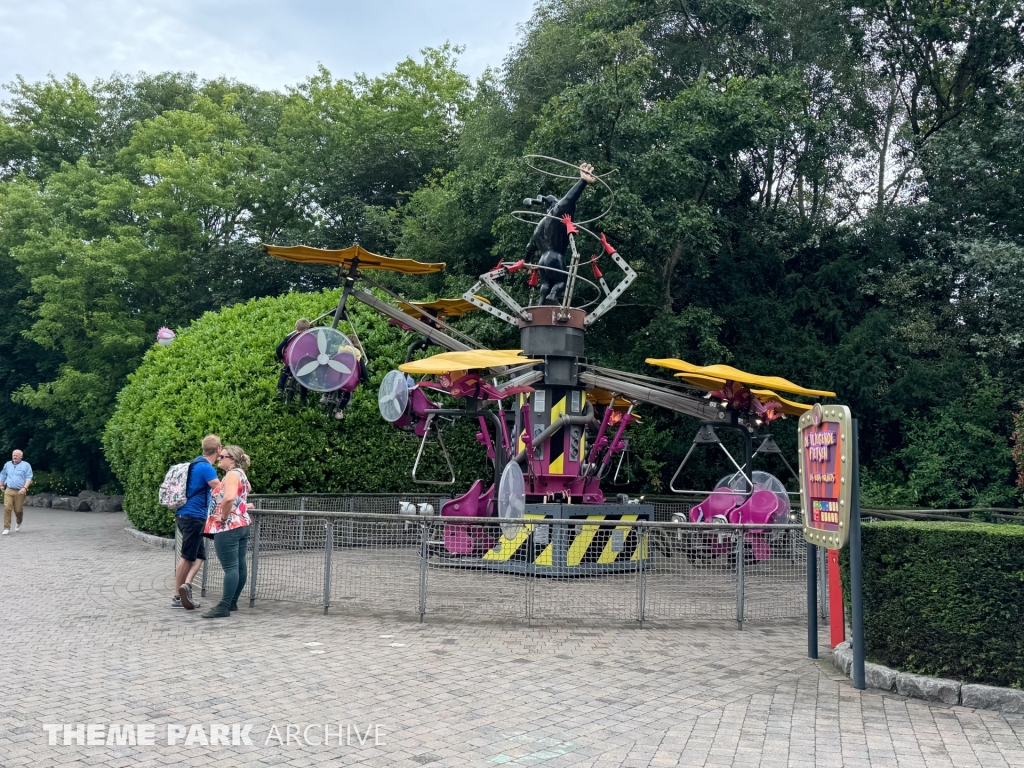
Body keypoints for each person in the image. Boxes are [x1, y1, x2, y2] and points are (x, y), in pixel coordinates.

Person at [524, 162, 597, 304]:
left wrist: (526, 262)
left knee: (545, 284)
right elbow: (568, 200)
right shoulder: (556, 215)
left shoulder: (538, 227)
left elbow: (529, 247)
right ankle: (552, 297)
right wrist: (582, 182)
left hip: (542, 261)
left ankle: (541, 303)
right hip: (555, 257)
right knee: (561, 282)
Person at [201, 445, 253, 619]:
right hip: (242, 524)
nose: (219, 459)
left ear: (232, 459)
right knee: (239, 565)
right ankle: (232, 602)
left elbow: (230, 497)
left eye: (222, 457)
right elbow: (247, 490)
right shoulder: (240, 474)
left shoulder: (231, 474)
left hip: (228, 526)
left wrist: (223, 517)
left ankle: (224, 605)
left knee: (231, 567)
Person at [174, 435, 221, 610]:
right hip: (193, 517)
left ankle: (186, 586)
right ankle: (177, 597)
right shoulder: (205, 467)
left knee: (199, 556)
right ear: (218, 449)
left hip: (185, 515)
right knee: (187, 557)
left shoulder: (194, 464)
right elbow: (219, 487)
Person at [276, 318, 311, 403]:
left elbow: (278, 348)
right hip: (303, 364)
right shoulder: (310, 339)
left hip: (290, 361)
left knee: (285, 370)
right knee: (304, 379)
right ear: (306, 329)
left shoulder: (290, 337)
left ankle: (280, 389)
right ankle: (303, 399)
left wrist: (281, 358)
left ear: (296, 327)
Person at [0, 450, 33, 535]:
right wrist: (1, 485)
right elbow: (2, 475)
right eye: (13, 455)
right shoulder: (7, 464)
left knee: (18, 510)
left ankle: (19, 521)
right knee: (7, 508)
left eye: (17, 455)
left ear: (21, 457)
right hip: (9, 489)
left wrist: (25, 488)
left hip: (20, 490)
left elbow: (28, 477)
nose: (14, 457)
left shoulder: (26, 465)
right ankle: (6, 528)